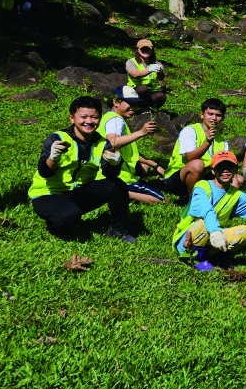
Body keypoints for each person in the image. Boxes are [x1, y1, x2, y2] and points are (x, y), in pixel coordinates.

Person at [29, 96, 136, 243]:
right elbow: (44, 172)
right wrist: (53, 158)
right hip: (48, 193)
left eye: (94, 117)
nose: (89, 121)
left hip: (79, 192)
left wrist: (115, 163)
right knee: (69, 218)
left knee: (117, 185)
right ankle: (57, 223)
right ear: (72, 118)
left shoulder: (102, 143)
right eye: (84, 117)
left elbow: (109, 175)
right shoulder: (58, 138)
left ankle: (118, 230)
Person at [101, 86, 166, 204]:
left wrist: (154, 164)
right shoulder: (116, 120)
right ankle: (120, 192)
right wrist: (141, 132)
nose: (134, 107)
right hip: (121, 176)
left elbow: (127, 150)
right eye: (130, 103)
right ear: (116, 102)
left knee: (145, 167)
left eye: (136, 104)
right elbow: (112, 143)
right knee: (163, 200)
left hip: (105, 173)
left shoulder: (108, 117)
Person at [164, 98, 238, 197]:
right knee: (197, 164)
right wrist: (207, 142)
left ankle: (223, 203)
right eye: (210, 114)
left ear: (223, 118)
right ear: (202, 115)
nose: (214, 118)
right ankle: (193, 202)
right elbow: (191, 158)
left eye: (218, 115)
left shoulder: (222, 141)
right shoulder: (190, 131)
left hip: (205, 175)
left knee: (238, 179)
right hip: (179, 177)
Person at [125, 38, 167, 110]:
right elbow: (135, 74)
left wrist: (160, 72)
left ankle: (146, 109)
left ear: (152, 50)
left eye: (148, 49)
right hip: (135, 92)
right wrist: (149, 70)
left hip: (150, 93)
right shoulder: (131, 62)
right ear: (138, 50)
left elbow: (161, 78)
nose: (145, 51)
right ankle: (137, 108)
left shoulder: (156, 63)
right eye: (143, 49)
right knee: (142, 89)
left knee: (161, 96)